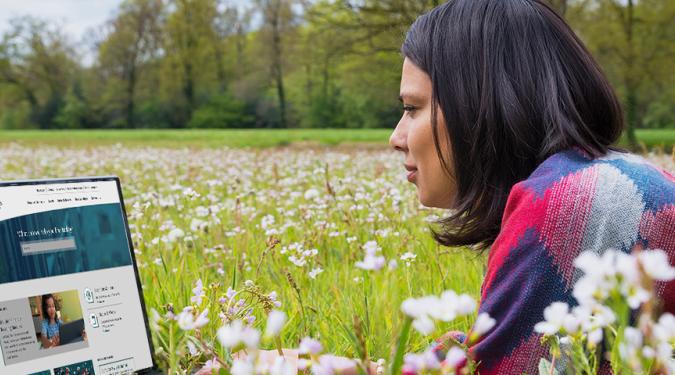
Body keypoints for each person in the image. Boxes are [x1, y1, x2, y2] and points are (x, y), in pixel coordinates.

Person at [201, 0, 675, 373]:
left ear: (479, 105)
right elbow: (503, 356)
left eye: (412, 108)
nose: (396, 137)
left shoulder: (572, 203)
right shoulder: (625, 177)